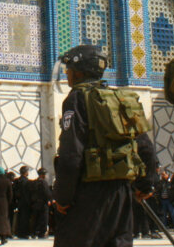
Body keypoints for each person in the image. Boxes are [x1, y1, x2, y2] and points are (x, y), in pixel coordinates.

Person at [52, 44, 157, 247]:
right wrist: (145, 185)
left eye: (69, 70)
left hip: (89, 193)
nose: (67, 74)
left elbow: (71, 155)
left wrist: (63, 197)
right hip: (121, 193)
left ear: (79, 72)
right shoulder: (119, 99)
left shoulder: (77, 99)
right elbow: (145, 147)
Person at [30, 168, 53, 239]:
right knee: (44, 219)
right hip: (43, 203)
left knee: (35, 219)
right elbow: (47, 193)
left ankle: (33, 233)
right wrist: (50, 200)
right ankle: (41, 233)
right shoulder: (44, 182)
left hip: (35, 203)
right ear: (43, 175)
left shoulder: (34, 182)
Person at [13, 165, 33, 238]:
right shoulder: (26, 181)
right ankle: (24, 233)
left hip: (19, 202)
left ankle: (19, 232)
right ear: (26, 172)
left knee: (20, 218)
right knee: (25, 218)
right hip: (26, 202)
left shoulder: (17, 181)